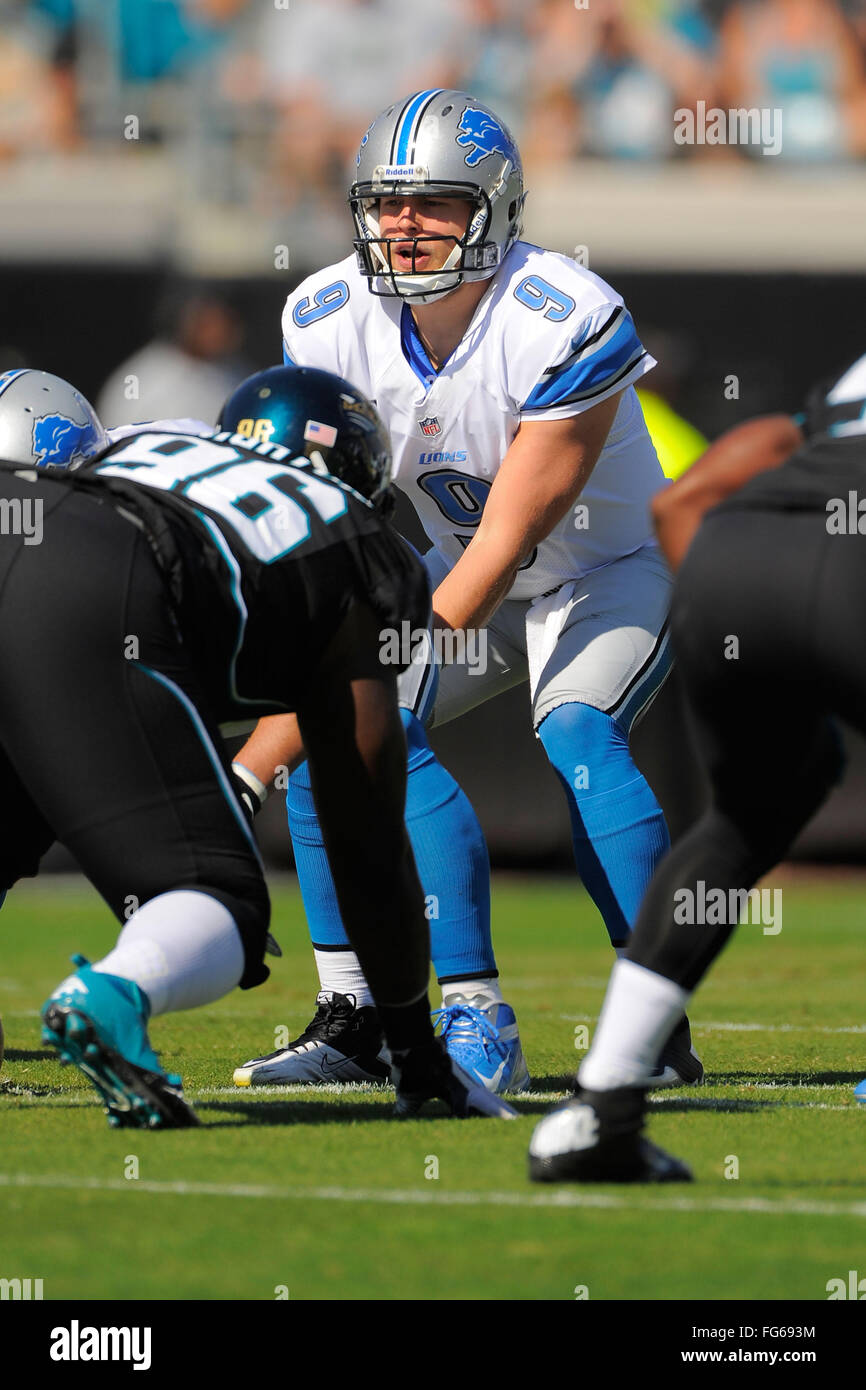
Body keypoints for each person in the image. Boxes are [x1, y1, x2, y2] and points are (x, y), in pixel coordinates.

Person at [231, 90, 702, 1094]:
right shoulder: (324, 316)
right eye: (386, 202)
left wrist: (366, 672)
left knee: (577, 732)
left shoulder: (563, 314)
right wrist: (250, 770)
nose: (404, 224)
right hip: (472, 565)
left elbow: (506, 542)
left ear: (495, 209)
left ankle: (646, 1023)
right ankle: (357, 1017)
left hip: (608, 570)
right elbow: (330, 546)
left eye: (435, 202)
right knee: (336, 726)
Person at [0, 365, 516, 1128]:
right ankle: (108, 996)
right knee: (219, 899)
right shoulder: (358, 546)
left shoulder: (158, 442)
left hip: (27, 515)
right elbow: (365, 837)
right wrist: (414, 1049)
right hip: (101, 576)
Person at [528, 352, 866, 1183]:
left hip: (733, 560)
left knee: (743, 825)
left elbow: (686, 498)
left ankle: (602, 1107)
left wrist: (743, 624)